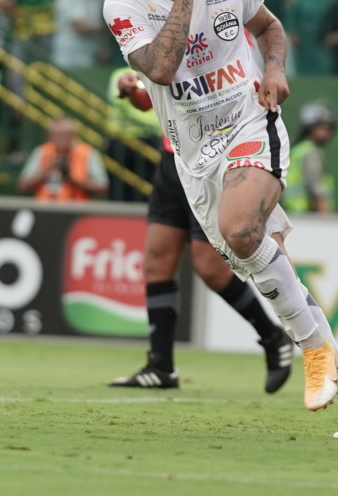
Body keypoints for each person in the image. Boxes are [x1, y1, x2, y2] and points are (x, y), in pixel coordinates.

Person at [95, 0, 338, 439]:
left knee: (240, 229)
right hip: (192, 155)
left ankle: (315, 359)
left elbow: (271, 29)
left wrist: (274, 68)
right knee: (251, 255)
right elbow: (161, 68)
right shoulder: (123, 5)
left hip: (251, 121)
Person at [109, 69, 293, 391]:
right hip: (172, 163)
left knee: (210, 268)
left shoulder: (219, 41)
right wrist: (134, 89)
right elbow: (150, 103)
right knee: (156, 261)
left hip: (207, 164)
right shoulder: (165, 41)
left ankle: (272, 335)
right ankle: (161, 366)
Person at [17, 117, 108, 201]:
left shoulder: (87, 153)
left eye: (65, 135)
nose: (61, 139)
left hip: (77, 212)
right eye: (56, 135)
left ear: (75, 135)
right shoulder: (42, 152)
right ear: (49, 136)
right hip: (45, 210)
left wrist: (72, 179)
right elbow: (23, 186)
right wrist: (47, 171)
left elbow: (102, 187)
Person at [281, 100, 336, 214]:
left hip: (293, 214)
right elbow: (316, 189)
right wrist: (326, 219)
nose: (328, 132)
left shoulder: (296, 151)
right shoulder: (310, 152)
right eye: (324, 127)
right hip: (309, 216)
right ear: (311, 128)